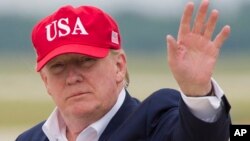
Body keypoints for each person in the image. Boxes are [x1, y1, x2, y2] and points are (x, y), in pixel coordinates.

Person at [16, 0, 231, 141]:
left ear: (119, 66)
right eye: (58, 67)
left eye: (85, 61)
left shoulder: (155, 122)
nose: (72, 77)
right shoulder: (30, 139)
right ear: (45, 81)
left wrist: (198, 93)